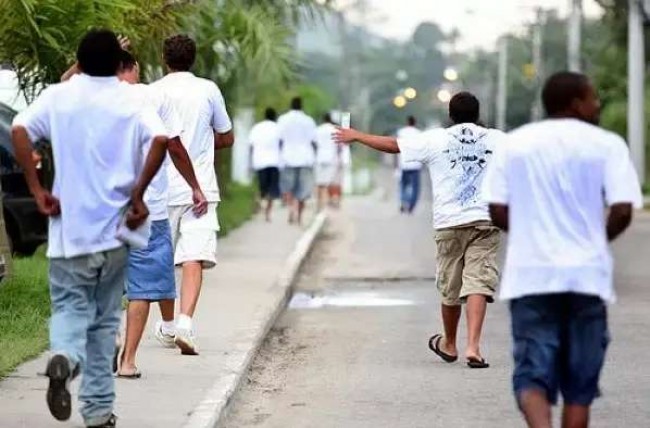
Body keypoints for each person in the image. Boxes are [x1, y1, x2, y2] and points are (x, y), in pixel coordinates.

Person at [11, 29, 168, 428]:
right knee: (102, 324)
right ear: (120, 64)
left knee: (68, 308)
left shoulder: (59, 96)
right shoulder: (132, 98)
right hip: (116, 234)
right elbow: (161, 139)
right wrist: (138, 195)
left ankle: (64, 354)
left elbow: (19, 129)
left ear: (78, 62)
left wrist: (36, 189)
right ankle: (97, 413)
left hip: (70, 233)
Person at [483, 72, 642, 428]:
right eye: (593, 98)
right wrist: (592, 244)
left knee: (532, 376)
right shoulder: (607, 144)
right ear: (575, 103)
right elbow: (622, 210)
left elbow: (496, 208)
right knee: (579, 387)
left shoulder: (514, 143)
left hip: (531, 277)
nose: (597, 104)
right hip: (586, 278)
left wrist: (529, 236)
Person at [336, 92, 505, 368]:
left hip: (449, 222)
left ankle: (449, 344)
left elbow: (394, 145)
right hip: (484, 220)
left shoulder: (436, 139)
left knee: (451, 287)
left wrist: (357, 135)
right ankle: (473, 347)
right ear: (477, 114)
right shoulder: (498, 139)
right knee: (479, 281)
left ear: (450, 115)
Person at [113, 50, 207, 377]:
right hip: (147, 209)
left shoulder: (93, 98)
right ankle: (127, 362)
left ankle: (109, 336)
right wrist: (195, 185)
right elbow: (174, 146)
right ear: (134, 67)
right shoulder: (154, 96)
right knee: (141, 287)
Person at [150, 34, 234, 355]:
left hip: (161, 190)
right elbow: (226, 137)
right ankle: (186, 324)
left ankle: (169, 326)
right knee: (192, 257)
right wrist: (206, 142)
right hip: (201, 190)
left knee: (161, 260)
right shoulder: (208, 89)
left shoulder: (153, 92)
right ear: (193, 59)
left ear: (164, 58)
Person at [278, 97, 317, 225]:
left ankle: (291, 209)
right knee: (303, 190)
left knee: (289, 187)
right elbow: (313, 140)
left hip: (287, 157)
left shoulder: (283, 119)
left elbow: (279, 139)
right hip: (305, 158)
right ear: (301, 106)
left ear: (291, 105)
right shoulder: (309, 121)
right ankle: (299, 216)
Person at [249, 107, 282, 222]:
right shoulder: (278, 128)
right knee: (272, 190)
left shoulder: (257, 128)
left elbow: (251, 146)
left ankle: (260, 203)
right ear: (274, 116)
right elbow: (282, 144)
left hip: (260, 162)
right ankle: (267, 213)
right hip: (274, 162)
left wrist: (251, 162)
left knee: (262, 187)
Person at [396, 116, 422, 214]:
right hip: (416, 164)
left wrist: (396, 165)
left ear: (407, 122)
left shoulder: (401, 132)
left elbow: (397, 148)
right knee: (415, 187)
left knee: (403, 185)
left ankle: (403, 202)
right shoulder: (419, 133)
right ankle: (411, 206)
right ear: (415, 123)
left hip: (404, 163)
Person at [314, 113, 339, 210]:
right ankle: (324, 205)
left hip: (319, 157)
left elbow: (314, 143)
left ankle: (319, 204)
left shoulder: (318, 129)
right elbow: (338, 145)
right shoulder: (335, 129)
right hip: (331, 158)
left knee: (319, 183)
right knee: (327, 184)